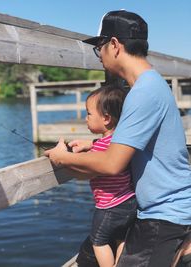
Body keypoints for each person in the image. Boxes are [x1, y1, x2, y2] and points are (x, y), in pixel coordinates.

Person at [45, 10, 191, 267]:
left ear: (114, 45)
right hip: (161, 208)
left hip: (165, 214)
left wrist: (62, 157)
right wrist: (94, 144)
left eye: (99, 47)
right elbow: (133, 139)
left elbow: (112, 165)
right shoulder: (150, 84)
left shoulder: (143, 92)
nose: (99, 55)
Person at [81, 85, 137, 267]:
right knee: (120, 238)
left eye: (88, 114)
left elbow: (85, 167)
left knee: (99, 241)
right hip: (129, 201)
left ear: (106, 118)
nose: (85, 118)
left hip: (109, 207)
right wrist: (90, 144)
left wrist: (63, 157)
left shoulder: (99, 149)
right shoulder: (121, 142)